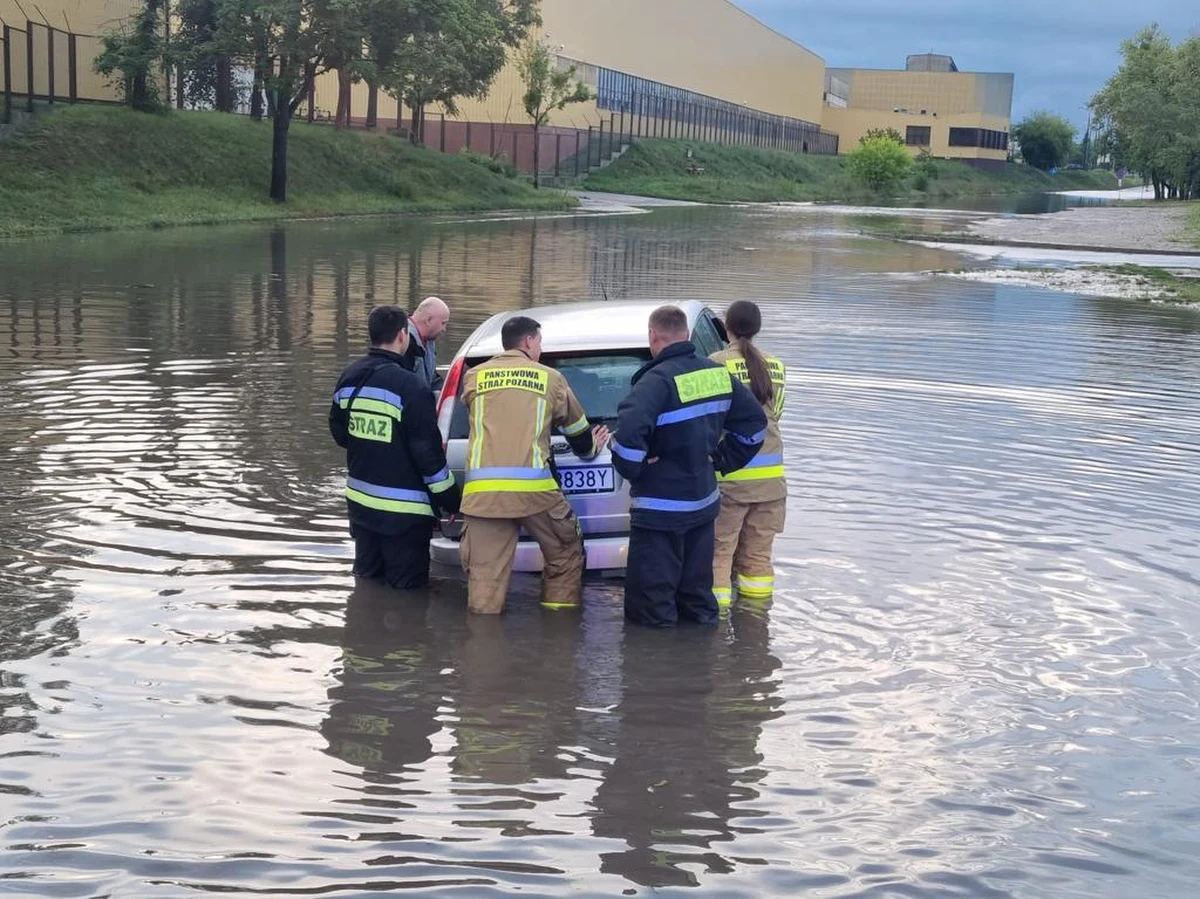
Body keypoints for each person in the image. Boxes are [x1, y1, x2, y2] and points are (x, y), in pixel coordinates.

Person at [610, 305, 767, 628]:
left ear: (653, 336)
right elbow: (754, 426)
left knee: (651, 610)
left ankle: (657, 672)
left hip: (658, 515)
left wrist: (640, 470)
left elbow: (626, 443)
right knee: (697, 599)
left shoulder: (654, 383)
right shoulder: (716, 374)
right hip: (702, 508)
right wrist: (720, 460)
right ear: (687, 335)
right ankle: (702, 667)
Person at [459, 315, 610, 614]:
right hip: (535, 492)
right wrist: (592, 447)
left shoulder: (473, 376)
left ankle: (481, 650)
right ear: (528, 341)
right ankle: (558, 630)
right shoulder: (550, 378)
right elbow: (577, 430)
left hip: (482, 496)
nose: (540, 348)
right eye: (539, 342)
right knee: (565, 552)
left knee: (485, 577)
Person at [329, 305, 460, 589]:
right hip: (405, 517)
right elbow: (429, 460)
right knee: (406, 598)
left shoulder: (349, 376)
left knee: (367, 583)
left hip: (361, 508)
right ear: (403, 335)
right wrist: (453, 501)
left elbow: (340, 434)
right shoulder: (412, 387)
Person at [709, 301, 787, 605]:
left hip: (730, 478)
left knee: (719, 554)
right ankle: (756, 626)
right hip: (772, 482)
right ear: (757, 329)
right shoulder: (776, 366)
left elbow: (709, 418)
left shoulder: (715, 363)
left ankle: (716, 629)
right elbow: (777, 415)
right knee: (758, 560)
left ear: (726, 327)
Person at [404, 296, 450, 392]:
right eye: (443, 323)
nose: (444, 329)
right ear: (428, 320)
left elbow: (432, 379)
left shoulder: (429, 342)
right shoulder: (404, 342)